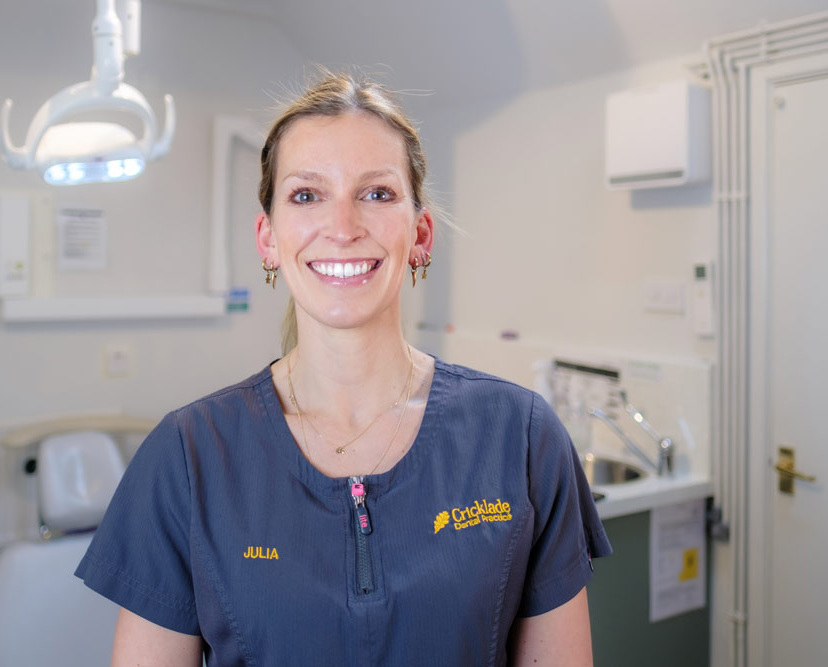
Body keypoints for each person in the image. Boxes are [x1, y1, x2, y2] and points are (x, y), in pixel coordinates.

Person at [76, 69, 612, 667]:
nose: (343, 227)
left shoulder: (521, 436)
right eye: (306, 195)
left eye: (377, 193)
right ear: (268, 240)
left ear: (421, 235)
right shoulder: (187, 457)